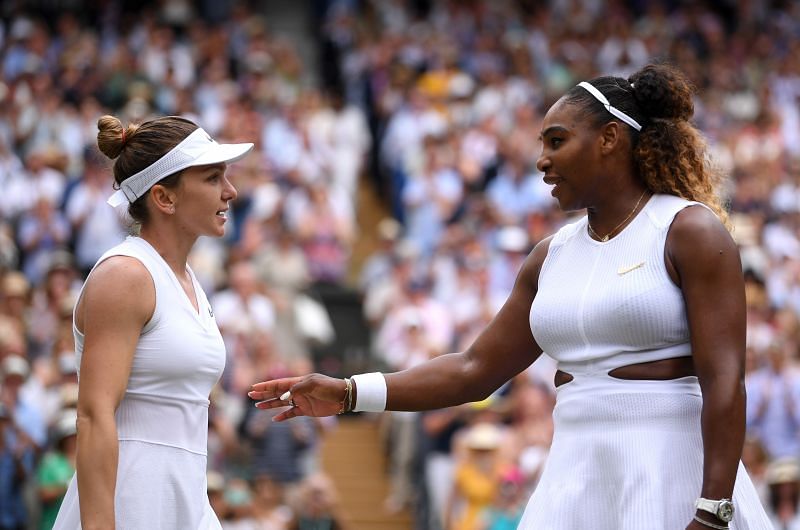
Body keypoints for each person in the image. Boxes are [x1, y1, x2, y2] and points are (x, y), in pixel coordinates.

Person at [250, 63, 774, 529]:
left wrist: (713, 510)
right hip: (575, 471)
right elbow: (474, 369)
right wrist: (347, 392)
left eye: (557, 141)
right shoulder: (549, 255)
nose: (541, 160)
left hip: (672, 472)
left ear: (611, 138)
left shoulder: (691, 231)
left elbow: (725, 382)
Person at [53, 114, 253, 529]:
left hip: (188, 499)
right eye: (213, 178)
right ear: (164, 198)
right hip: (128, 501)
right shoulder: (125, 275)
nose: (231, 191)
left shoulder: (190, 282)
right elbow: (93, 414)